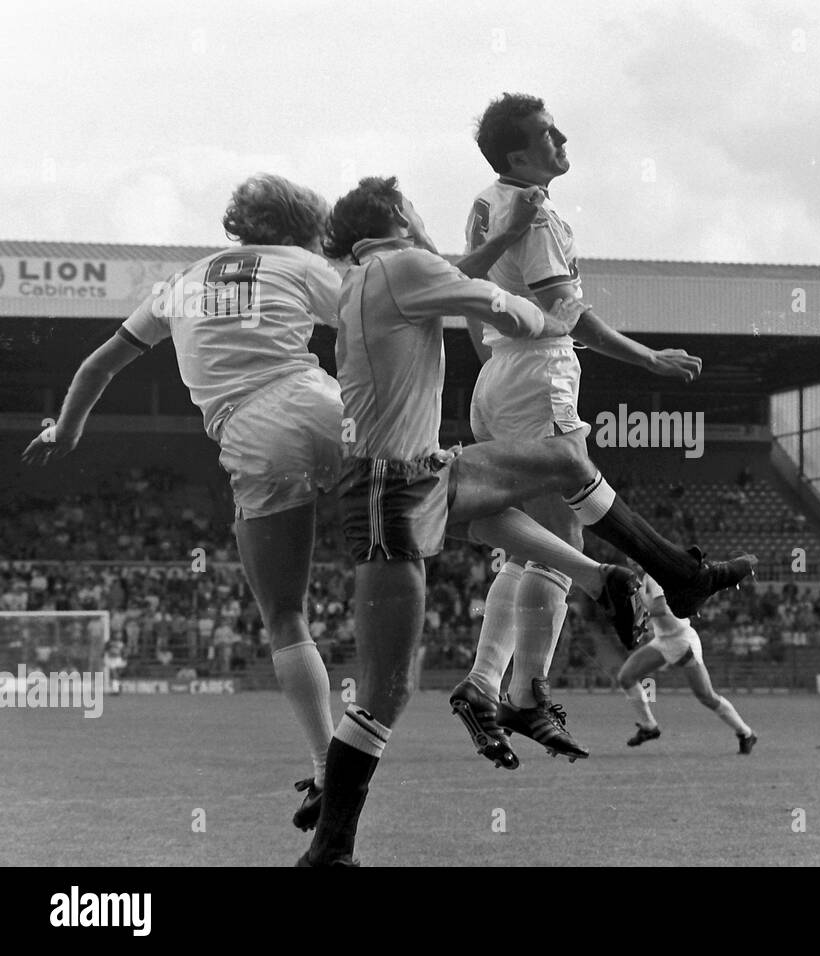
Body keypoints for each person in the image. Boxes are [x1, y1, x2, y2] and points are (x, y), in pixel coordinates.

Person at [23, 172, 547, 834]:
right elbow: (410, 297)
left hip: (252, 434)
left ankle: (327, 766)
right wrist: (493, 248)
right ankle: (568, 562)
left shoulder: (178, 285)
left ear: (238, 224)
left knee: (285, 616)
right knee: (440, 497)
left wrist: (66, 430)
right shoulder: (303, 265)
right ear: (306, 225)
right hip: (323, 407)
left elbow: (100, 364)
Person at [298, 178, 754, 866]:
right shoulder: (405, 265)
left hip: (409, 476)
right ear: (396, 215)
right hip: (398, 488)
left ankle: (612, 581)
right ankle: (329, 843)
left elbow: (465, 275)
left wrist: (505, 242)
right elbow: (503, 307)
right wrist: (554, 321)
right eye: (414, 207)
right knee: (386, 689)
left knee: (522, 501)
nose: (424, 216)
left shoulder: (365, 276)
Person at [460, 92, 709, 759]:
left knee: (532, 544)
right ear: (519, 153)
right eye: (548, 133)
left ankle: (489, 685)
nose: (562, 138)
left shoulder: (488, 201)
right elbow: (566, 314)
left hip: (502, 376)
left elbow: (484, 303)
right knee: (563, 536)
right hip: (538, 375)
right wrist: (647, 357)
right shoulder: (534, 216)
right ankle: (523, 694)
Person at [617, 571, 757, 755]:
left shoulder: (654, 577)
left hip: (682, 642)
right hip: (663, 640)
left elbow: (661, 608)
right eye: (629, 557)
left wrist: (635, 615)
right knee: (626, 677)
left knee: (706, 695)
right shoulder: (642, 579)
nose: (632, 560)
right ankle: (649, 726)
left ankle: (745, 733)